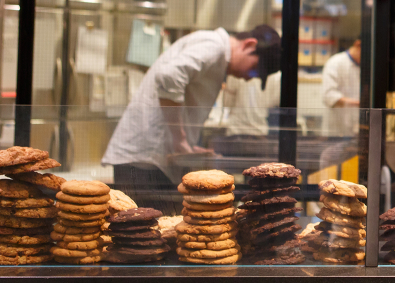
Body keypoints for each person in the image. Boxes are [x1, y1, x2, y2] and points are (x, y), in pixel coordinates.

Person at [102, 25, 282, 206]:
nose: (249, 78)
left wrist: (187, 146)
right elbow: (170, 76)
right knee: (143, 222)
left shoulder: (215, 52)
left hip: (149, 162)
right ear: (249, 45)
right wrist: (180, 141)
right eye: (254, 69)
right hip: (142, 163)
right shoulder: (214, 46)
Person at [321, 38, 361, 136]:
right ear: (358, 44)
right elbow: (329, 96)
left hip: (355, 129)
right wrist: (359, 103)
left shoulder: (364, 66)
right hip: (335, 130)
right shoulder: (335, 62)